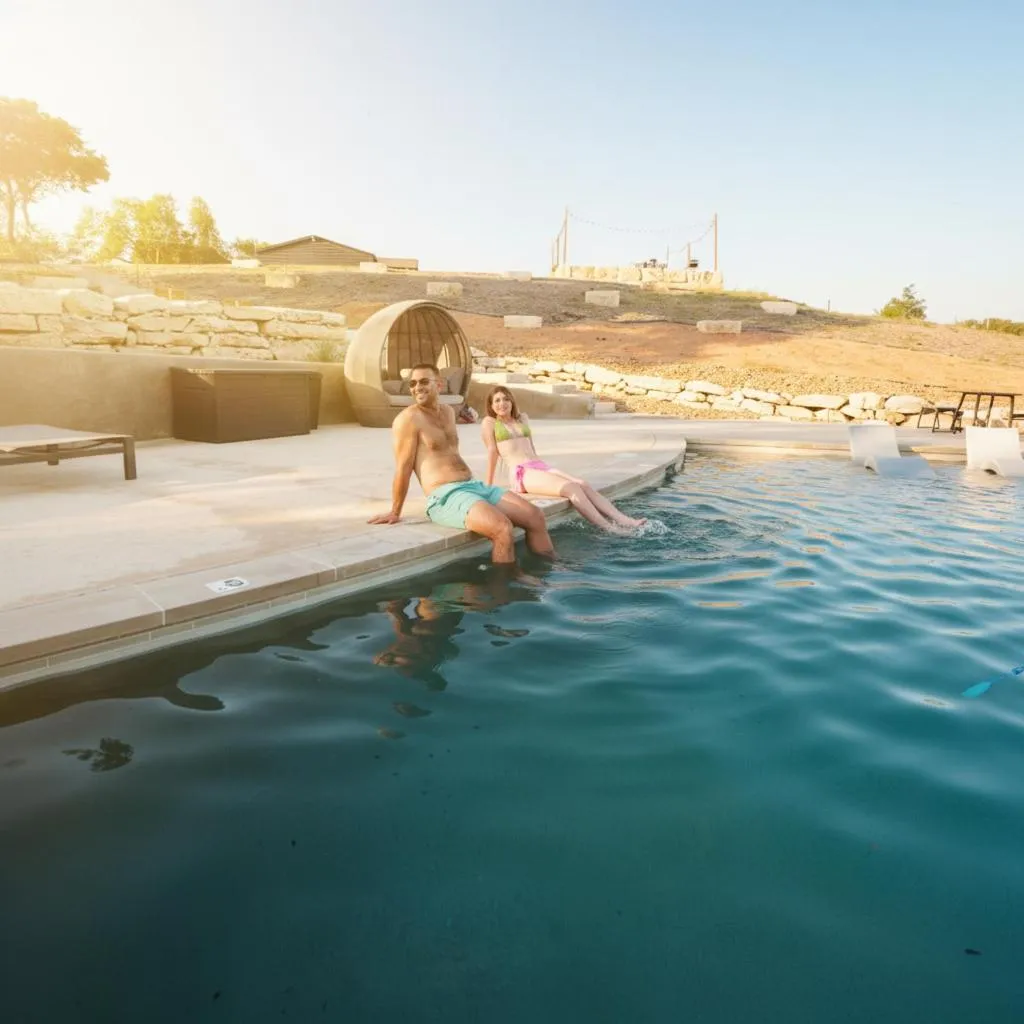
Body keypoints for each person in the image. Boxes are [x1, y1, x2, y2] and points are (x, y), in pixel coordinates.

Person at [367, 364, 555, 564]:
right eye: (413, 384)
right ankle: (505, 589)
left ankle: (552, 571)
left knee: (535, 516)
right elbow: (403, 467)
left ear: (439, 385)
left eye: (424, 381)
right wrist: (395, 511)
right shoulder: (408, 419)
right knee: (502, 528)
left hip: (473, 486)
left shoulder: (448, 412)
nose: (417, 387)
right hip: (445, 495)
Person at [481, 386, 647, 534]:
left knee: (582, 483)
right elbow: (492, 452)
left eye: (506, 399)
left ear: (511, 401)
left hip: (538, 466)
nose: (502, 403)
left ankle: (625, 520)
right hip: (521, 472)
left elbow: (532, 449)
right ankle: (609, 528)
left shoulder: (522, 419)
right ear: (491, 405)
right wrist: (487, 486)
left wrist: (547, 470)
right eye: (497, 400)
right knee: (571, 488)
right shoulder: (489, 422)